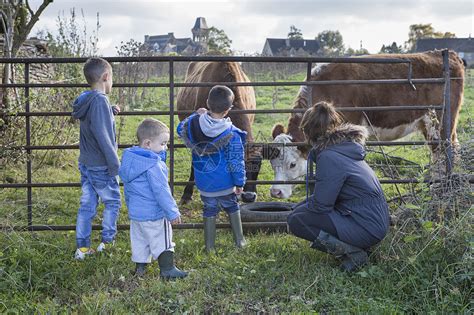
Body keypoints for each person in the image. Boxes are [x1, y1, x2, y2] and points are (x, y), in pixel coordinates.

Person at [286, 101, 390, 272]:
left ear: (306, 131)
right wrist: (299, 207)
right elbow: (327, 195)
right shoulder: (342, 148)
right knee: (298, 212)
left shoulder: (329, 157)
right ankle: (357, 246)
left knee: (297, 221)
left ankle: (353, 254)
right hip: (369, 220)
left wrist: (297, 213)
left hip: (366, 226)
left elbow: (321, 205)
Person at [177, 85, 247, 252]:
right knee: (232, 207)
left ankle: (210, 247)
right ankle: (240, 241)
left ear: (207, 103)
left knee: (209, 210)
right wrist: (239, 182)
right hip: (226, 185)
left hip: (205, 185)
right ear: (228, 110)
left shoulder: (193, 125)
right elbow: (236, 161)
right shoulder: (232, 134)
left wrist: (195, 114)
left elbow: (180, 128)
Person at [119, 118, 188, 279]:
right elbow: (161, 191)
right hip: (154, 213)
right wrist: (172, 212)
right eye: (163, 143)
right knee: (163, 240)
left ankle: (140, 270)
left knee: (140, 241)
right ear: (148, 144)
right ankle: (167, 269)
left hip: (137, 214)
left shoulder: (130, 159)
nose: (166, 147)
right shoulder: (153, 164)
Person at [72, 57, 122, 260]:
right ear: (106, 77)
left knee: (87, 205)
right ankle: (107, 243)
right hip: (101, 165)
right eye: (111, 79)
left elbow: (94, 121)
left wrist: (111, 112)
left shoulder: (87, 100)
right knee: (112, 202)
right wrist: (115, 165)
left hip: (86, 162)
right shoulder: (100, 100)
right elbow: (102, 135)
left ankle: (82, 249)